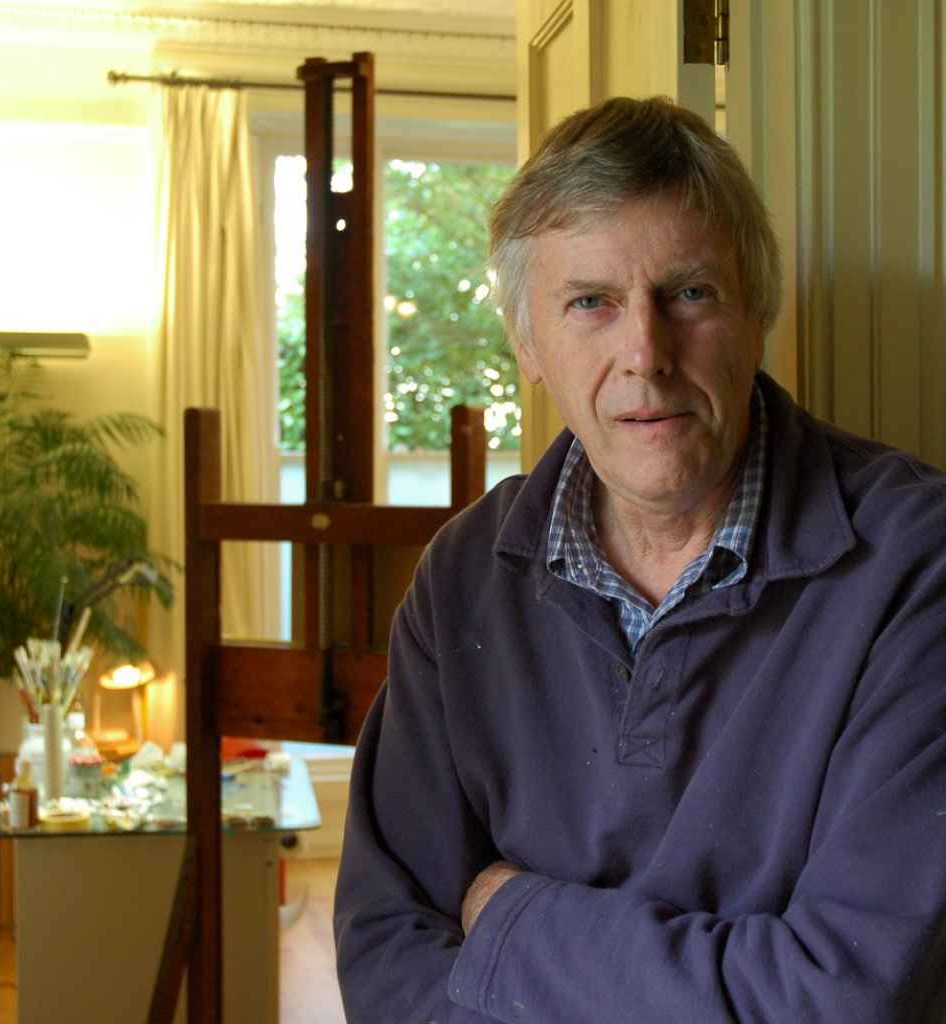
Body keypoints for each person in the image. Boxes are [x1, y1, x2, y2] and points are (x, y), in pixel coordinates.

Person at [333, 96, 946, 1022]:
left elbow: (840, 998)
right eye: (592, 303)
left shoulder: (917, 564)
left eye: (689, 293)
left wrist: (513, 922)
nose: (645, 355)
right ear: (528, 342)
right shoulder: (462, 575)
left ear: (758, 311)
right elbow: (389, 960)